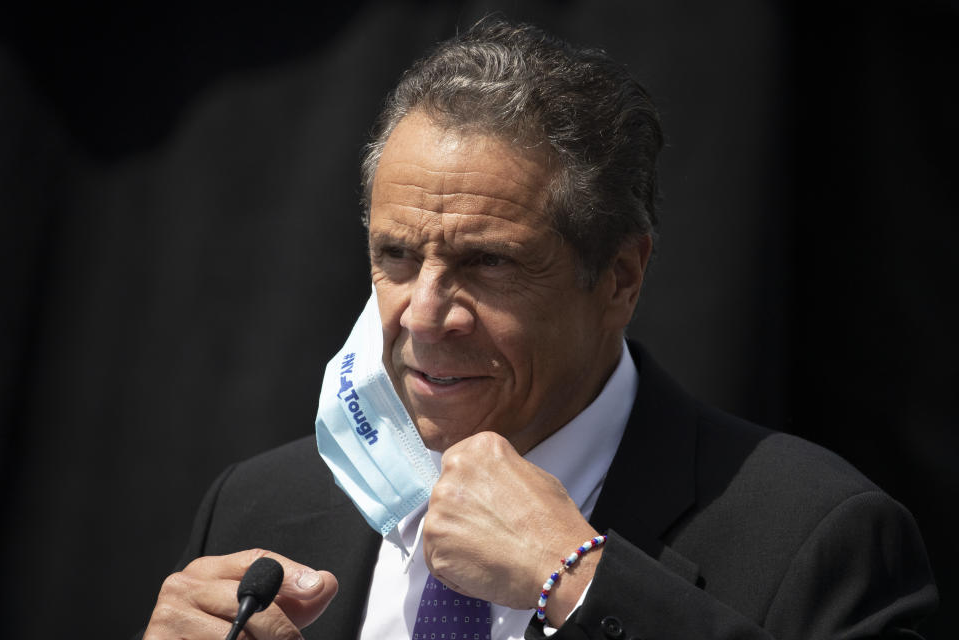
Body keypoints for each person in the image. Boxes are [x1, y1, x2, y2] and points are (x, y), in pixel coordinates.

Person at [141, 18, 937, 640]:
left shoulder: (816, 537)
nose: (425, 314)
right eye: (396, 256)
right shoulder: (256, 510)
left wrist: (584, 581)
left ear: (621, 276)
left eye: (487, 264)